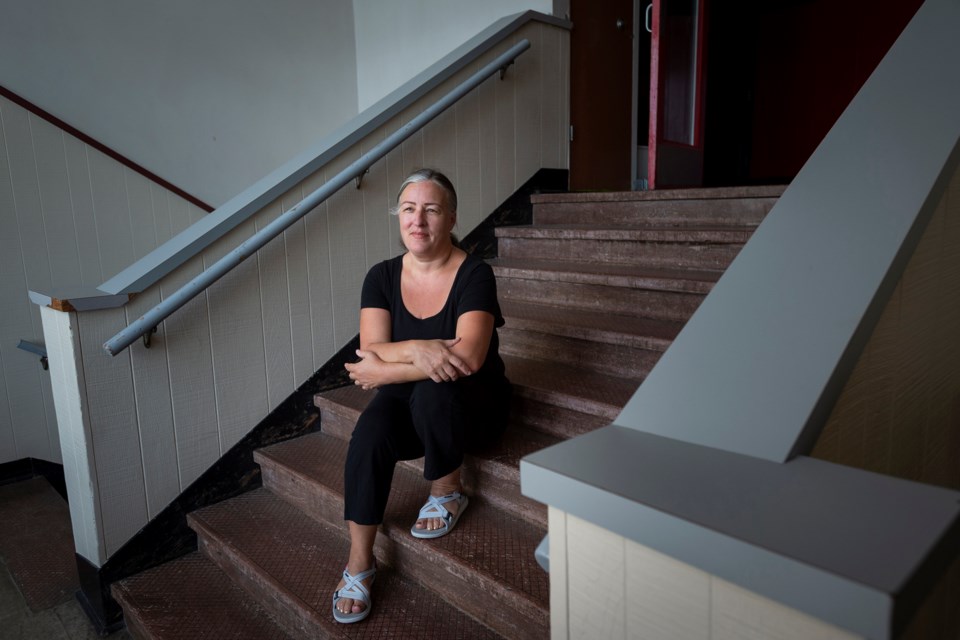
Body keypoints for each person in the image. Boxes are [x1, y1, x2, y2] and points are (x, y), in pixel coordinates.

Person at [332, 168, 512, 623]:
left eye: (431, 209)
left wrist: (385, 369)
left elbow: (468, 358)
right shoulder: (381, 276)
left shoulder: (475, 274)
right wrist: (419, 347)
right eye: (409, 209)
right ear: (399, 218)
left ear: (451, 218)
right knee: (370, 431)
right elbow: (369, 351)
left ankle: (449, 488)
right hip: (411, 404)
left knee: (435, 390)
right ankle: (360, 561)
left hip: (473, 405)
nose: (418, 220)